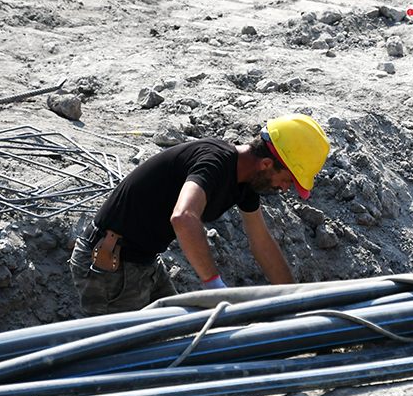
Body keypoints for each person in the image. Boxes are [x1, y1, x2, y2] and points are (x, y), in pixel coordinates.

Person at [69, 114, 330, 314]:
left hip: (141, 263)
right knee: (131, 367)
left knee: (177, 341)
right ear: (266, 164)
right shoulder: (214, 162)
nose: (285, 189)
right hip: (111, 266)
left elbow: (261, 243)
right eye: (287, 180)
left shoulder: (246, 183)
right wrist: (216, 288)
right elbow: (183, 218)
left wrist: (295, 301)